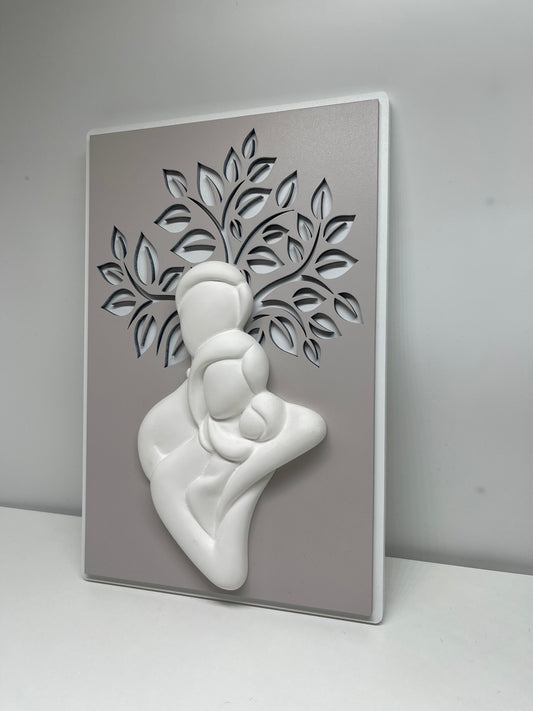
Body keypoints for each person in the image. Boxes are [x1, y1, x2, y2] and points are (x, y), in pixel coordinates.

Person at [138, 262, 326, 590]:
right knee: (171, 488)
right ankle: (231, 503)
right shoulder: (204, 372)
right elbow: (163, 433)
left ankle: (235, 492)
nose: (194, 324)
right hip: (208, 447)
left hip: (232, 441)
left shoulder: (238, 356)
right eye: (189, 314)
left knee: (225, 564)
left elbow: (226, 406)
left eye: (206, 310)